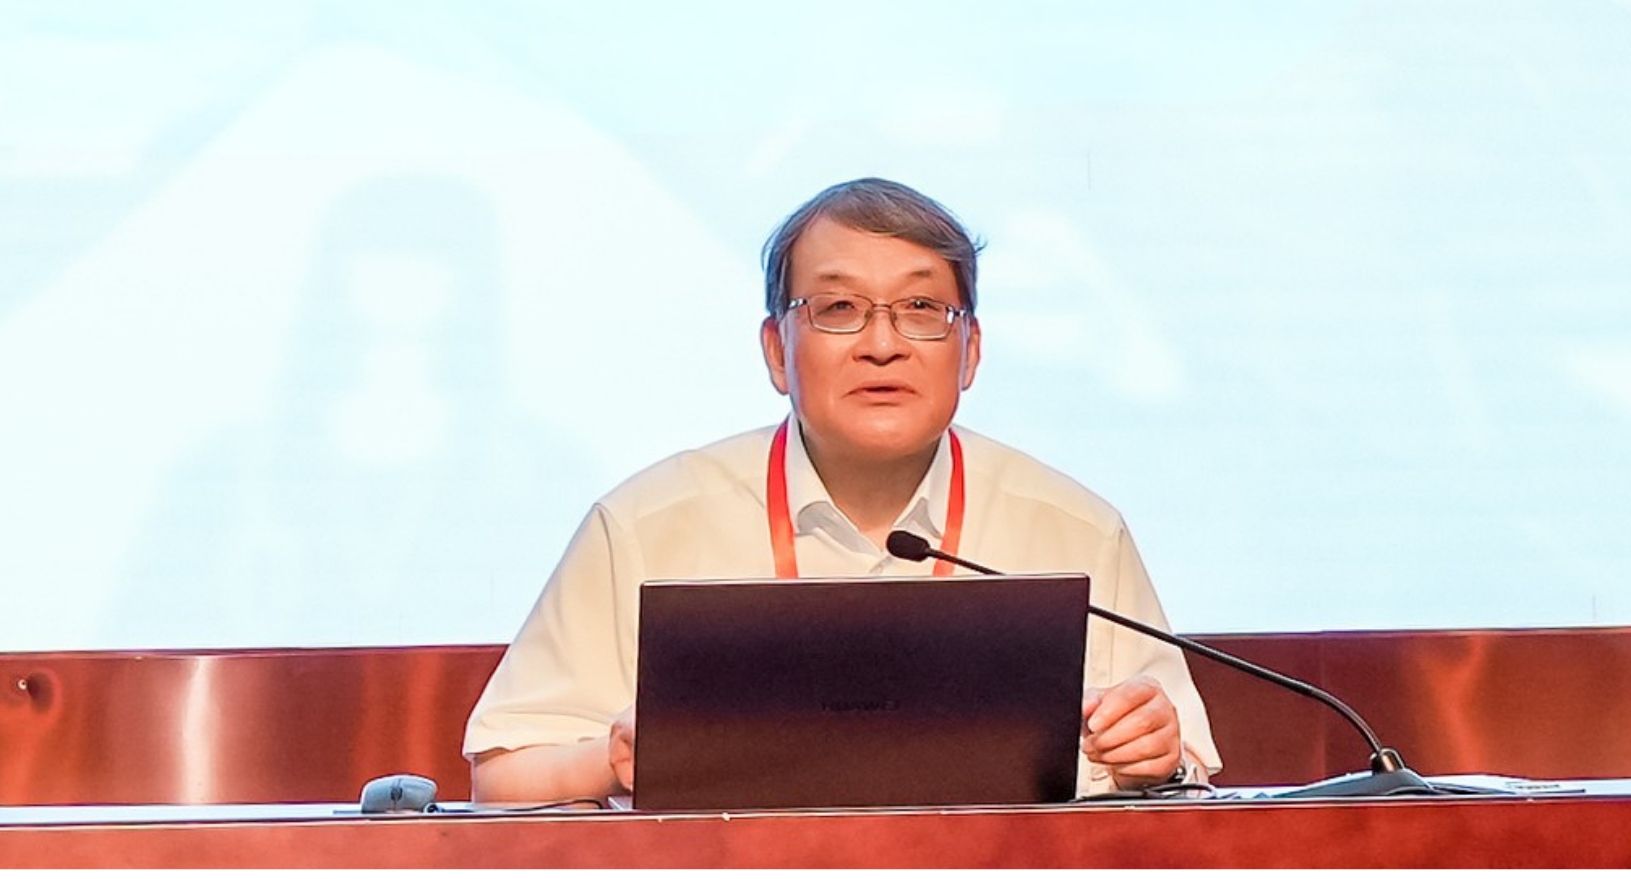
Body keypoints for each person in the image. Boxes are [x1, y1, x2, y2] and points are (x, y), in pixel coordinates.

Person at [464, 178, 1220, 804]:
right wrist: (613, 759)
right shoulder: (645, 524)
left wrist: (1157, 758)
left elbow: (1187, 777)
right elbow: (501, 778)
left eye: (922, 310)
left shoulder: (1075, 528)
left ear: (970, 352)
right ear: (777, 352)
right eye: (838, 309)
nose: (882, 344)